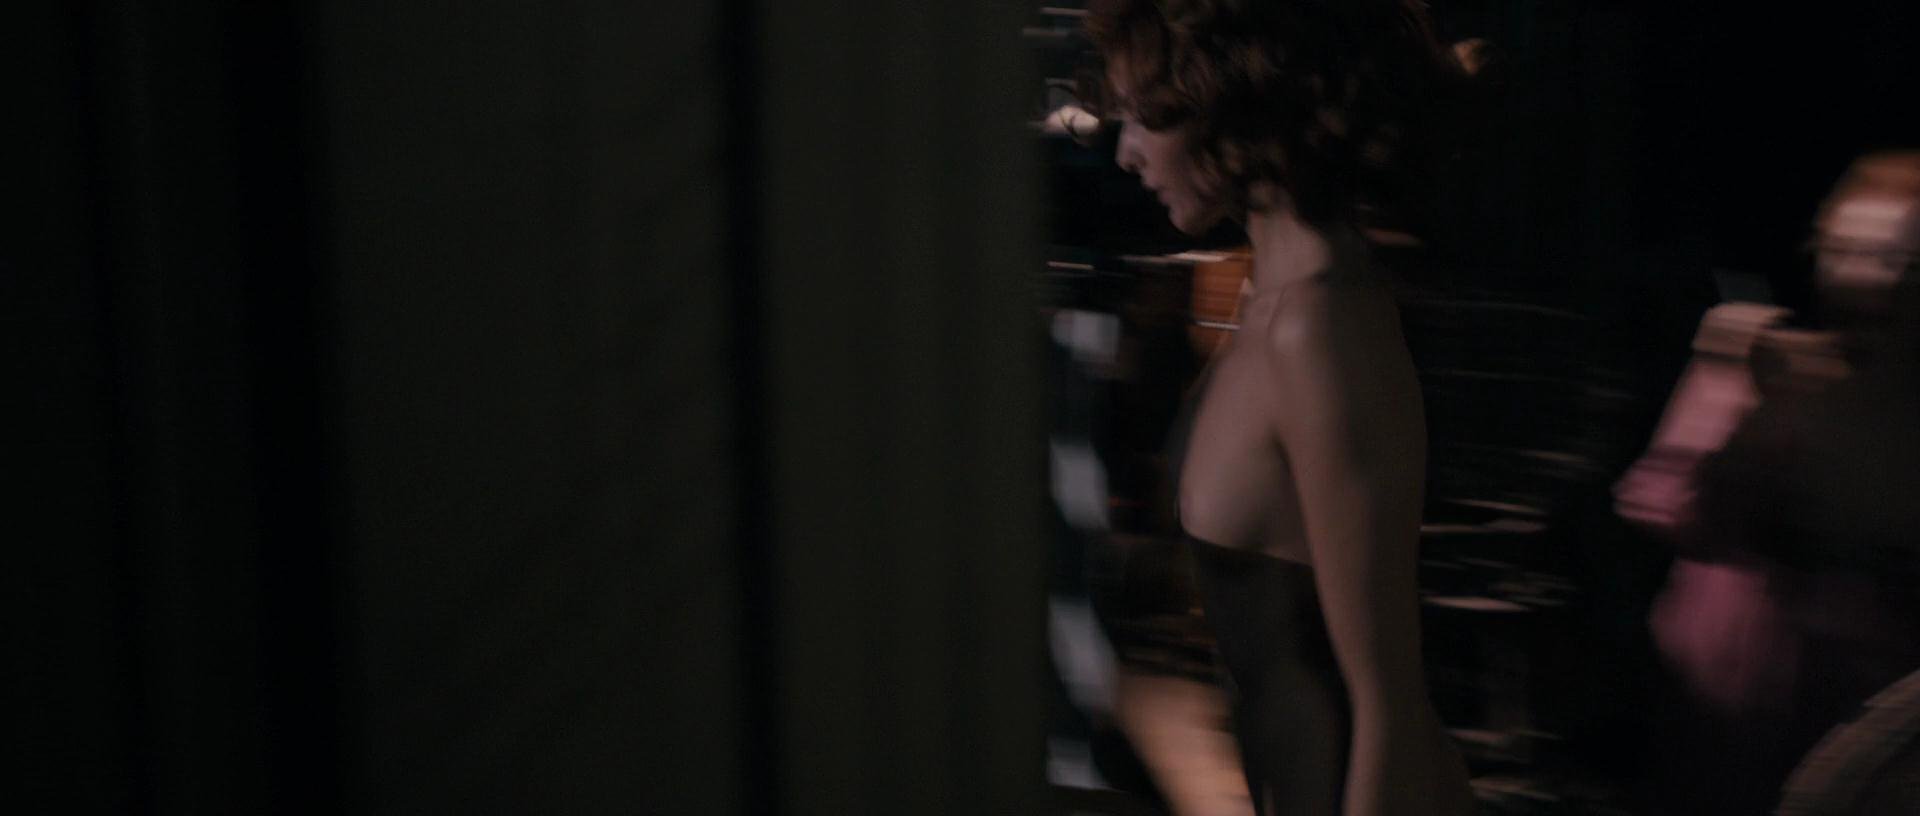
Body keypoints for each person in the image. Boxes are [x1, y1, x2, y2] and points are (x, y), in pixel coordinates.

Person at [1082, 2, 1475, 813]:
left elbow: (1388, 706)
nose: (1125, 151)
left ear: (1223, 104)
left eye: (1142, 117)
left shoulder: (1319, 325)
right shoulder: (1266, 299)